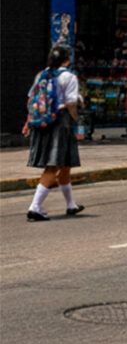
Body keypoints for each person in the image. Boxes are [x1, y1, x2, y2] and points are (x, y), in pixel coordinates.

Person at [23, 46, 85, 221]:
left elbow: (31, 99)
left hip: (43, 122)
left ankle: (71, 204)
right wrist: (76, 119)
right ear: (67, 60)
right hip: (61, 121)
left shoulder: (41, 75)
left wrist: (28, 122)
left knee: (64, 164)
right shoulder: (69, 77)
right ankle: (35, 206)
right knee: (53, 165)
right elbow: (71, 103)